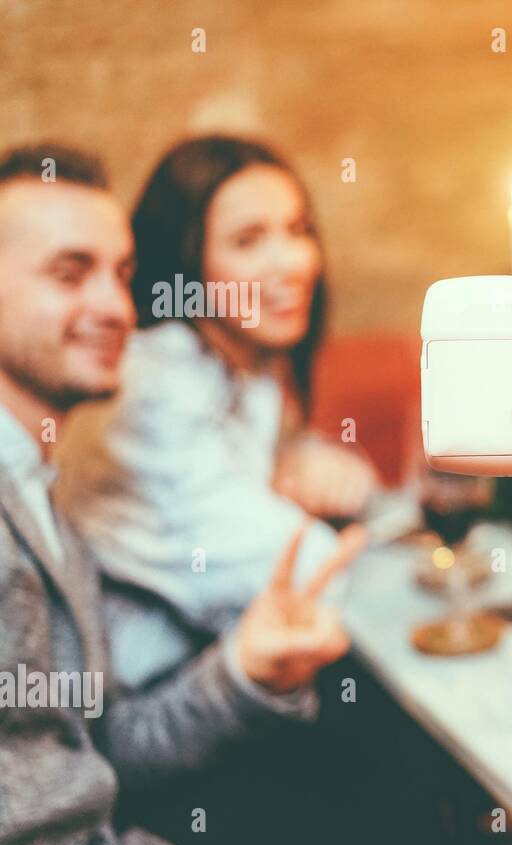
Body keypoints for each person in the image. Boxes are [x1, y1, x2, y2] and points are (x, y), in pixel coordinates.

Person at [0, 142, 362, 845]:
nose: (115, 308)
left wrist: (245, 672)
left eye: (123, 275)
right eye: (71, 273)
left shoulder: (40, 502)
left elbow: (105, 753)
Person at [55, 135, 377, 688]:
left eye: (298, 230)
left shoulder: (243, 361)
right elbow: (305, 575)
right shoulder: (152, 388)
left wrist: (300, 459)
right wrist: (300, 502)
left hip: (219, 679)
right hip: (140, 714)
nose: (292, 263)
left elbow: (283, 468)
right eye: (248, 240)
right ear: (187, 258)